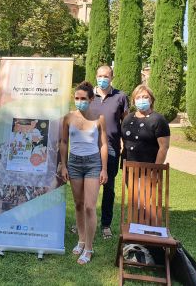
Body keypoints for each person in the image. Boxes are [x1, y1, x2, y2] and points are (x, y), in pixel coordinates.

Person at [60, 81, 108, 265]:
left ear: (91, 99)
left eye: (83, 99)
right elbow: (63, 142)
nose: (80, 101)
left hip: (93, 163)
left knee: (90, 206)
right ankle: (81, 240)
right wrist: (63, 165)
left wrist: (104, 168)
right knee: (79, 204)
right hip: (74, 163)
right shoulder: (68, 118)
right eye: (77, 98)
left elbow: (104, 144)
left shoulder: (99, 118)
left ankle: (89, 247)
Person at [89, 65, 129, 240]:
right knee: (88, 187)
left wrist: (126, 147)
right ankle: (83, 220)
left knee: (109, 188)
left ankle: (105, 224)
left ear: (112, 77)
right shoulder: (89, 96)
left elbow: (126, 124)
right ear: (95, 77)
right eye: (99, 76)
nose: (102, 79)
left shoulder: (121, 97)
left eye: (106, 76)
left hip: (112, 148)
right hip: (89, 148)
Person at [121, 84, 170, 163]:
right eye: (138, 97)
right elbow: (125, 142)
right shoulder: (127, 118)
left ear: (151, 100)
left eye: (145, 97)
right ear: (134, 101)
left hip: (149, 168)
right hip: (129, 167)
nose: (141, 100)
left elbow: (164, 147)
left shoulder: (158, 119)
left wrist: (155, 170)